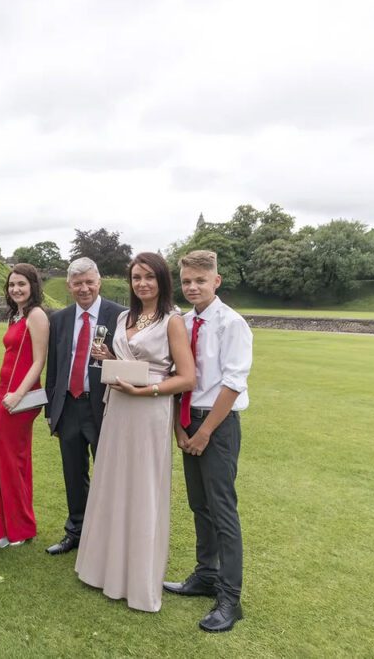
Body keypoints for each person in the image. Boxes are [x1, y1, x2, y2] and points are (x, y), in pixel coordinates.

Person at [74, 252, 195, 611]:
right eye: (136, 277)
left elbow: (187, 377)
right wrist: (108, 357)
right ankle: (102, 569)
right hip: (118, 407)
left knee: (142, 487)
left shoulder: (172, 320)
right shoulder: (124, 317)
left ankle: (137, 580)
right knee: (113, 483)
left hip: (149, 410)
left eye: (149, 277)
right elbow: (127, 362)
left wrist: (148, 391)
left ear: (162, 280)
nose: (142, 283)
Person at [163, 249, 253, 633]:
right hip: (189, 420)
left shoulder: (232, 324)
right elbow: (177, 376)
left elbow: (233, 383)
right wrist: (180, 428)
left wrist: (204, 432)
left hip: (217, 424)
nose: (193, 287)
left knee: (222, 510)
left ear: (216, 281)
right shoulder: (183, 323)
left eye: (200, 280)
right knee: (199, 505)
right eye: (186, 281)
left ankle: (230, 598)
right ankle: (205, 575)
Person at [43, 257, 125, 555]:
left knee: (108, 474)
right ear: (69, 285)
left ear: (99, 282)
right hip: (69, 406)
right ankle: (75, 531)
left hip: (103, 406)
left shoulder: (119, 315)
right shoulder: (59, 319)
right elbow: (54, 366)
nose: (84, 288)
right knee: (73, 473)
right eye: (78, 283)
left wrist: (111, 358)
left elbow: (129, 361)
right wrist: (51, 411)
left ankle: (105, 535)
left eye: (90, 282)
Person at [0, 263, 49, 545]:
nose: (16, 289)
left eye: (21, 284)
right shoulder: (16, 315)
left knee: (11, 461)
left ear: (33, 286)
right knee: (2, 457)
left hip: (20, 396)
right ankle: (4, 520)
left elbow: (38, 361)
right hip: (4, 392)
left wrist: (18, 394)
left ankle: (21, 528)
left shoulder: (36, 315)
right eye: (12, 285)